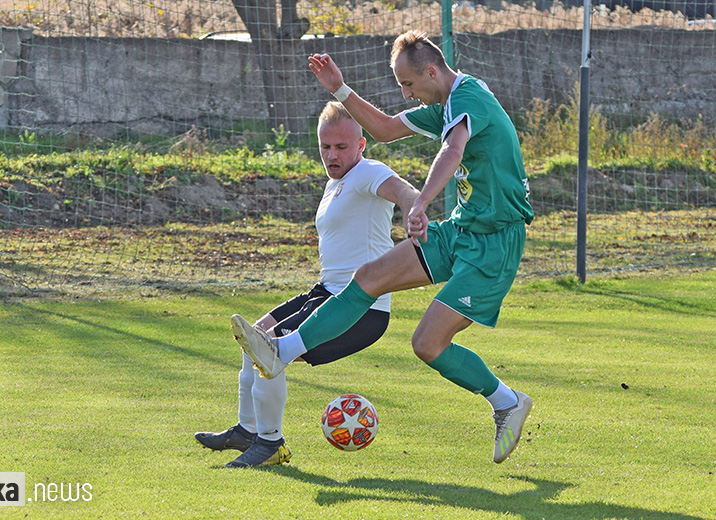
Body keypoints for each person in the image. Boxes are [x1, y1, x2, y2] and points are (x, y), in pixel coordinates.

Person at [231, 30, 535, 464]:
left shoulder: (470, 99)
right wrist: (338, 88)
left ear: (431, 71)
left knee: (427, 345)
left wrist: (422, 203)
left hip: (495, 243)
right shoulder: (444, 104)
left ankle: (506, 401)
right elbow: (385, 128)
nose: (406, 94)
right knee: (368, 276)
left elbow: (453, 150)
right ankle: (283, 351)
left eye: (408, 85)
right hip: (463, 229)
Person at [196, 101, 419, 468]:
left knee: (271, 349)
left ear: (362, 144)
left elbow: (403, 191)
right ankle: (247, 430)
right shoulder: (336, 183)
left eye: (342, 147)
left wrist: (416, 208)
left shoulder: (368, 172)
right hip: (325, 292)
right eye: (325, 147)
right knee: (254, 335)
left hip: (360, 308)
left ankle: (270, 444)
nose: (332, 155)